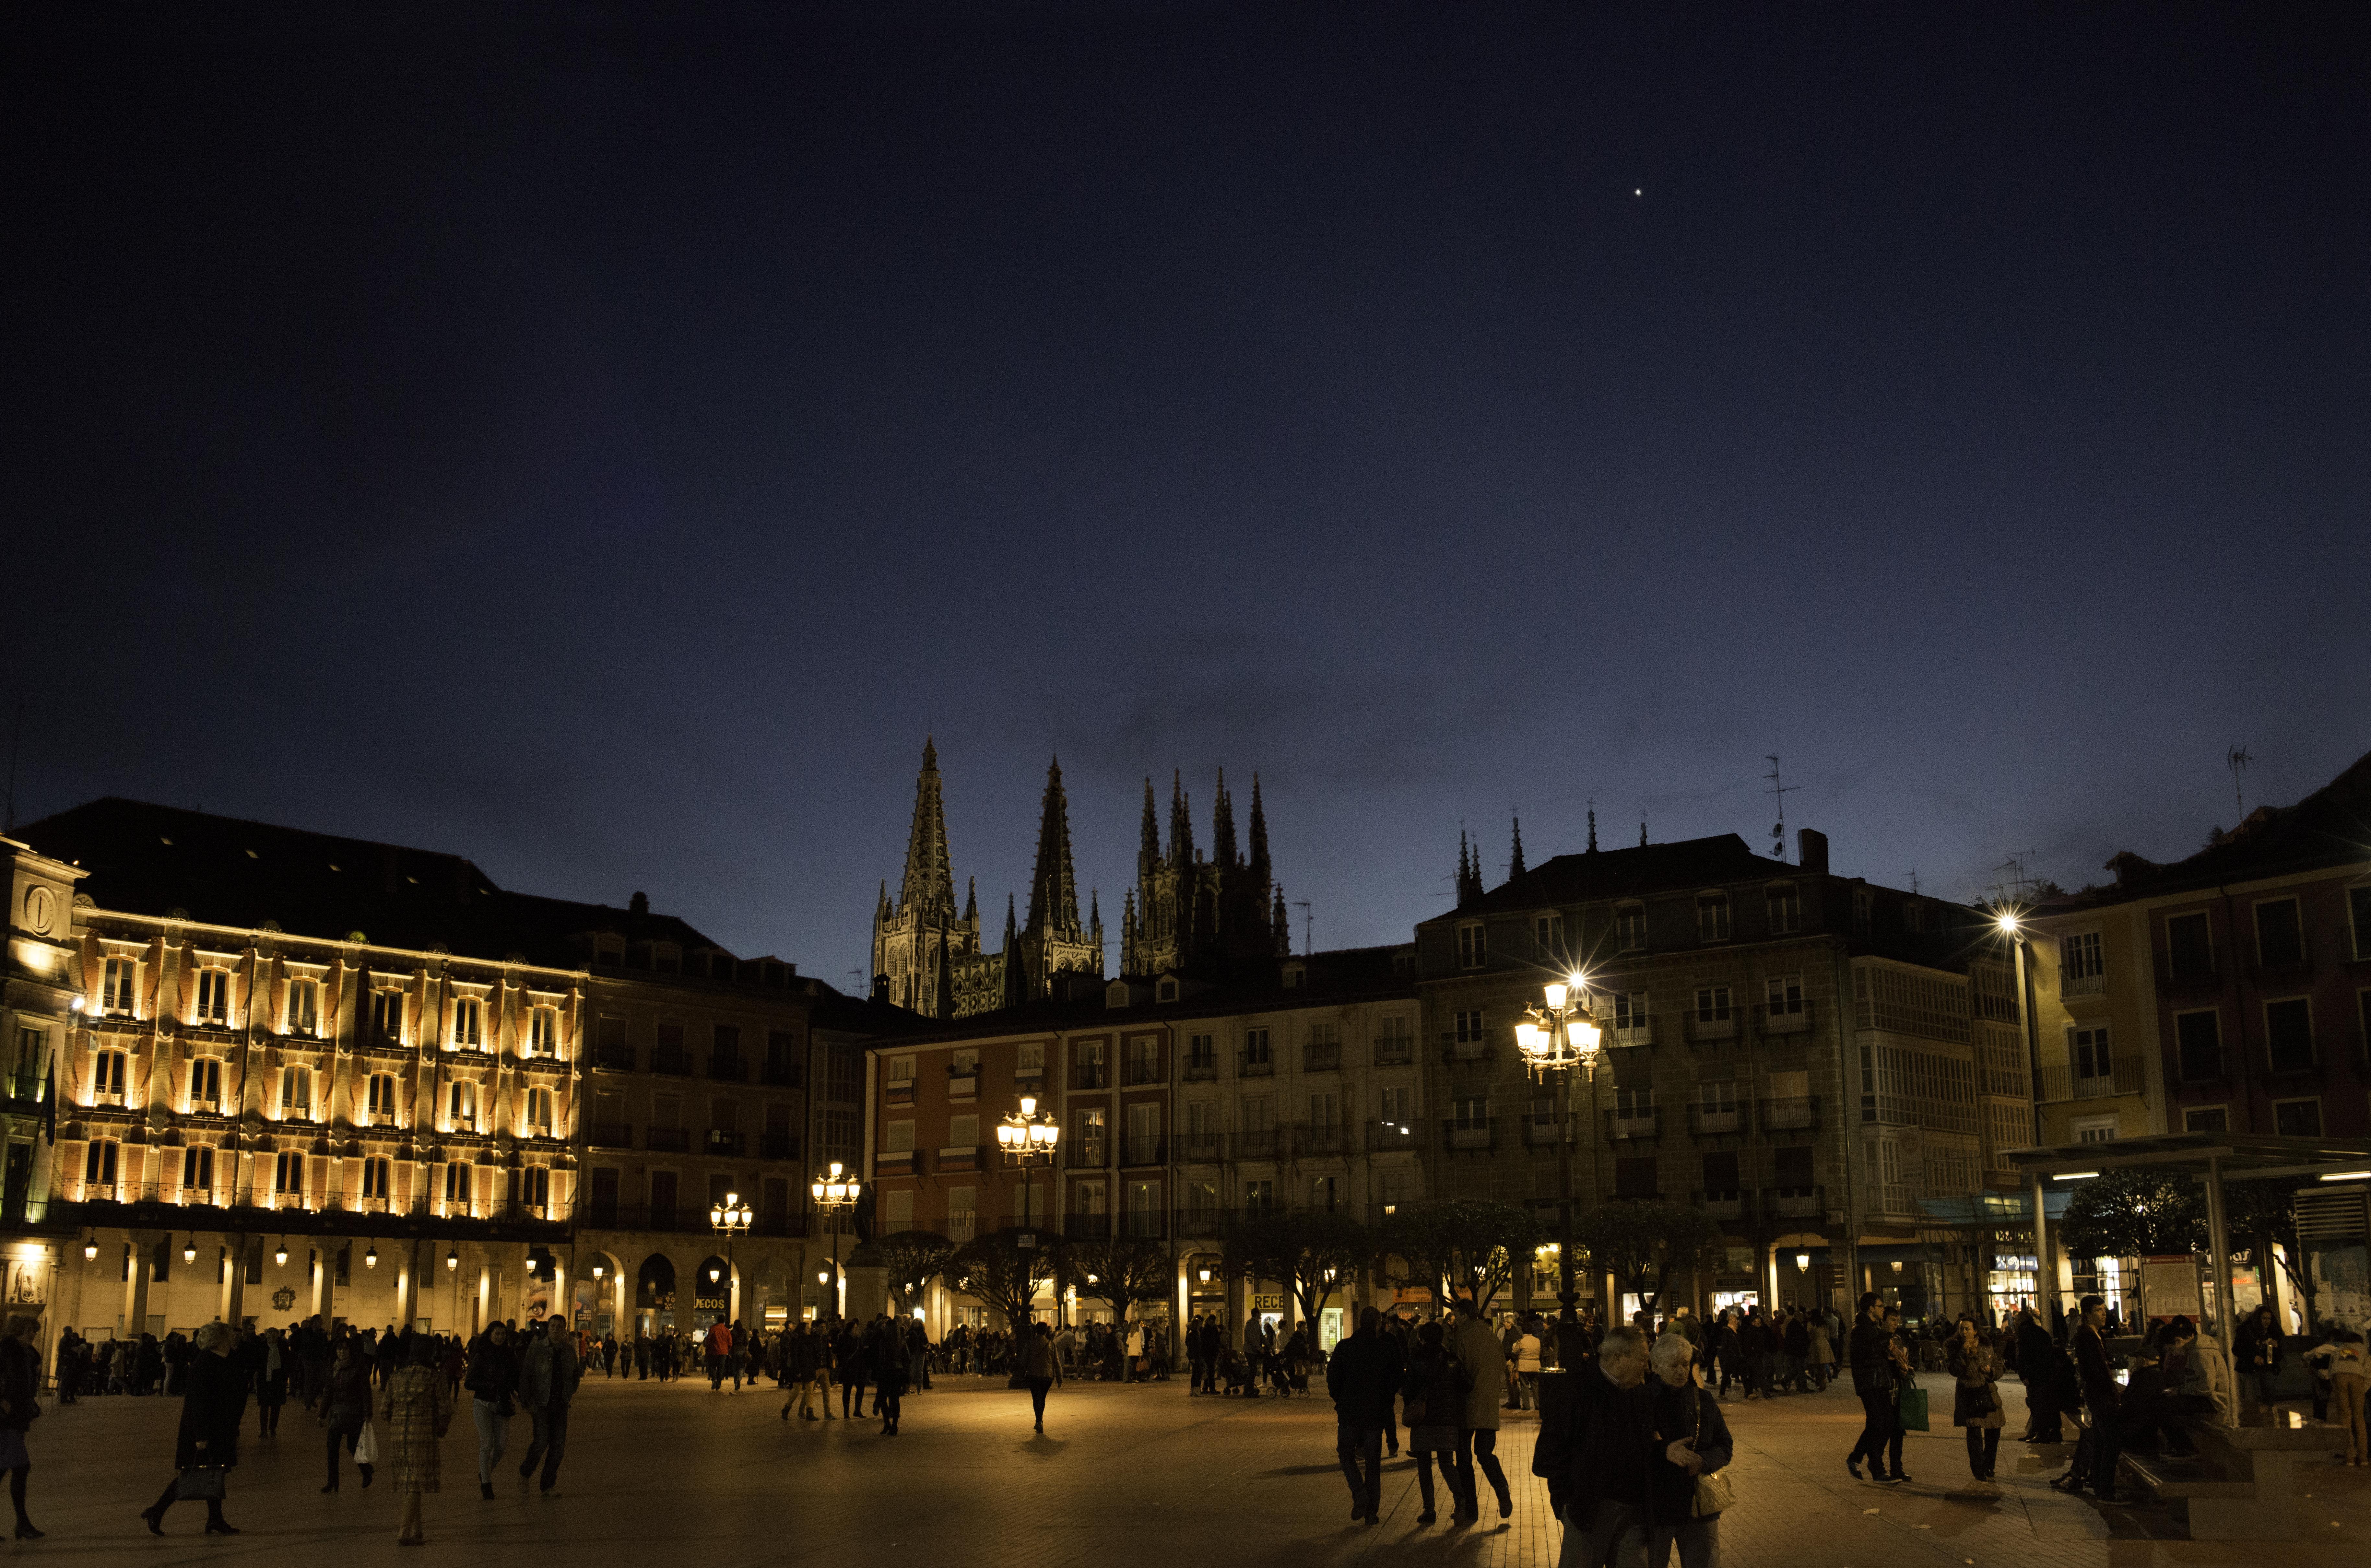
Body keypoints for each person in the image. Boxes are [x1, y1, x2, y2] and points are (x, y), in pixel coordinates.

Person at [1546, 1324, 1655, 1568]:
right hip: (1588, 1512)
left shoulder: (1639, 1394)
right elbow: (1551, 1453)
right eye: (1642, 1359)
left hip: (1634, 1512)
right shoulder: (1576, 1391)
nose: (1647, 1367)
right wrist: (1565, 1505)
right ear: (1619, 1358)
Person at [141, 1321, 245, 1536]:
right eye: (229, 1335)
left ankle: (215, 1519)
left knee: (216, 1473)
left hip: (223, 1427)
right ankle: (157, 1510)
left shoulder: (230, 1360)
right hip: (205, 1429)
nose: (234, 1338)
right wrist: (201, 1435)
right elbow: (196, 1402)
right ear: (219, 1339)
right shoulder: (204, 1363)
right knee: (192, 1474)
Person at [1646, 1333, 1730, 1568]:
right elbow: (1629, 1449)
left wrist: (1703, 1461)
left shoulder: (1702, 1399)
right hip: (1656, 1507)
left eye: (1686, 1364)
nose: (1682, 1371)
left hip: (1698, 1506)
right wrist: (1664, 1451)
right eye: (1674, 1365)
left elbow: (1725, 1444)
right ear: (1655, 1366)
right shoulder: (1642, 1401)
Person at [377, 1334, 455, 1544]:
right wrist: (440, 1429)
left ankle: (417, 1530)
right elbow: (446, 1410)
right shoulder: (435, 1377)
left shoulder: (397, 1376)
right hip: (423, 1434)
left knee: (411, 1481)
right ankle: (404, 1532)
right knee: (416, 1482)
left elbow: (384, 1410)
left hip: (398, 1435)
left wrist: (398, 1422)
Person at [1327, 1307, 1398, 1523]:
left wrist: (1341, 1399)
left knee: (1346, 1454)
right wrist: (1386, 1400)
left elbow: (1333, 1379)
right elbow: (1394, 1379)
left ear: (1360, 1323)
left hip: (1350, 1412)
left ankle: (1360, 1493)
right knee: (1373, 1463)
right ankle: (1371, 1512)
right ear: (1378, 1324)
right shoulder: (1383, 1349)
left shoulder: (1344, 1347)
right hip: (1375, 1414)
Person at [1451, 1298, 1514, 1521]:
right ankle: (1502, 1489)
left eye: (1456, 1314)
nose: (1454, 1318)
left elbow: (1457, 1370)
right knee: (1485, 1453)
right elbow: (1500, 1367)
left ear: (1466, 1315)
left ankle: (1471, 1509)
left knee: (1464, 1458)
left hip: (1466, 1404)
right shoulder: (1491, 1337)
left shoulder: (1462, 1337)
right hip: (1488, 1404)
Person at [1403, 1320, 1471, 1525]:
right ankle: (1461, 1502)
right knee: (1446, 1463)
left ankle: (1429, 1510)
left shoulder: (1415, 1360)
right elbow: (1467, 1385)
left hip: (1422, 1420)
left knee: (1424, 1466)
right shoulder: (1452, 1359)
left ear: (1422, 1339)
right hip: (1447, 1419)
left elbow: (1408, 1392)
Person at [2057, 1294, 2121, 1501]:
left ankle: (2100, 1485)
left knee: (2101, 1439)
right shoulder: (2087, 1336)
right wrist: (2113, 1393)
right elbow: (2096, 1371)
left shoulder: (2093, 1334)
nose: (2104, 1314)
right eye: (2098, 1311)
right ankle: (2106, 1491)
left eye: (2104, 1310)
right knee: (2111, 1441)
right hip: (2101, 1395)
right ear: (2087, 1314)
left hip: (2098, 1394)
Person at [515, 1314, 582, 1496]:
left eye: (560, 1327)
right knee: (541, 1442)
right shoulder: (537, 1349)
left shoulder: (568, 1351)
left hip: (560, 1405)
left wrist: (570, 1392)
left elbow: (576, 1373)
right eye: (553, 1327)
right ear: (548, 1328)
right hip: (542, 1404)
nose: (556, 1330)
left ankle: (548, 1485)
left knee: (558, 1448)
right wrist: (527, 1401)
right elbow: (527, 1374)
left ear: (565, 1330)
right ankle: (526, 1473)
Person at [1844, 1293, 1905, 1483]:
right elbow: (1869, 1351)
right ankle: (1872, 1466)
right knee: (1880, 1424)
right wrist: (1886, 1337)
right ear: (1871, 1309)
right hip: (1870, 1383)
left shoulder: (1871, 1327)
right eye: (1880, 1306)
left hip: (1879, 1381)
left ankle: (1864, 1461)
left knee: (1882, 1424)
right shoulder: (1861, 1328)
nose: (1882, 1309)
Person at [1946, 1317, 2005, 1480]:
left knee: (1994, 1430)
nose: (1964, 1333)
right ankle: (1979, 1470)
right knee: (1974, 1434)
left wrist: (1992, 1372)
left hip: (1988, 1391)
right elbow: (1954, 1370)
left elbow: (1999, 1366)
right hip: (1969, 1393)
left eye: (1967, 1329)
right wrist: (1964, 1353)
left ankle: (1989, 1466)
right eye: (1962, 1329)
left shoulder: (1986, 1346)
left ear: (1976, 1331)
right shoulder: (1955, 1347)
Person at [466, 1322, 519, 1499]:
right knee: (487, 1442)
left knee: (502, 1446)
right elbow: (469, 1383)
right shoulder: (481, 1355)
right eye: (497, 1334)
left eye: (503, 1334)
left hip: (502, 1403)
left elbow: (514, 1377)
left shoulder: (509, 1354)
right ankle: (487, 1484)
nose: (500, 1337)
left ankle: (485, 1472)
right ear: (490, 1334)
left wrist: (515, 1390)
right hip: (483, 1402)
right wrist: (490, 1385)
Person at [0, 1316, 42, 1539]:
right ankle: (23, 1523)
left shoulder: (27, 1354)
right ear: (16, 1331)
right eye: (27, 1331)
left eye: (34, 1331)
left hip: (15, 1416)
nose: (32, 1334)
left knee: (7, 1468)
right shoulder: (7, 1350)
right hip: (7, 1418)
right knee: (21, 1466)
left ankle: (23, 1523)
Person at [316, 1336, 375, 1492]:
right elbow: (328, 1392)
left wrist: (368, 1413)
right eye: (339, 1349)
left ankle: (366, 1470)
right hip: (336, 1413)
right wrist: (322, 1414)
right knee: (332, 1447)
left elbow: (366, 1391)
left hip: (353, 1412)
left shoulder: (358, 1367)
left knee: (352, 1446)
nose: (342, 1352)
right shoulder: (334, 1368)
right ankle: (333, 1481)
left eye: (346, 1348)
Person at [2303, 1326, 2368, 1465]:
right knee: (2359, 1418)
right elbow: (2369, 1371)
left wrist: (2335, 1385)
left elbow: (2332, 1370)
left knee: (2345, 1418)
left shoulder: (2339, 1351)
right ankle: (2363, 1458)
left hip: (2340, 1378)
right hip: (2358, 1379)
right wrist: (2364, 1388)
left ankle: (2349, 1458)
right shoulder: (2363, 1351)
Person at [2234, 1304, 2283, 1414]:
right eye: (2264, 1318)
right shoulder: (2247, 1331)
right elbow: (2237, 1349)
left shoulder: (2273, 1333)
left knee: (2268, 1400)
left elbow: (2279, 1356)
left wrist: (2276, 1347)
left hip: (2268, 1369)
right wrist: (2253, 1358)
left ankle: (2268, 1421)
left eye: (2269, 1319)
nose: (2267, 1321)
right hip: (2250, 1370)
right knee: (2251, 1400)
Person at [872, 1317, 908, 1435]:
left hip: (886, 1372)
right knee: (894, 1400)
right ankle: (894, 1425)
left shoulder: (884, 1341)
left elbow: (880, 1358)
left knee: (883, 1399)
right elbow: (907, 1358)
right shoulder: (901, 1341)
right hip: (897, 1372)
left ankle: (888, 1423)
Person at [1020, 1321, 1057, 1433]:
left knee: (1036, 1398)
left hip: (1034, 1375)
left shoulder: (1030, 1344)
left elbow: (1024, 1361)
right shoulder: (1051, 1344)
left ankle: (1039, 1421)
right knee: (1043, 1398)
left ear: (1036, 1331)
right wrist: (1059, 1378)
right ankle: (1040, 1421)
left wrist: (1021, 1374)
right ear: (1046, 1331)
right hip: (1048, 1375)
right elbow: (1056, 1362)